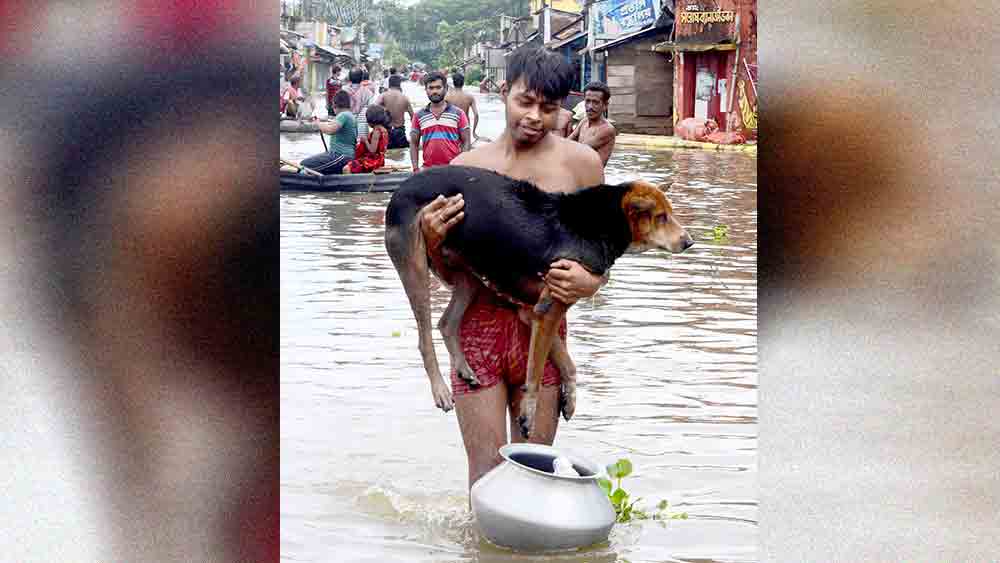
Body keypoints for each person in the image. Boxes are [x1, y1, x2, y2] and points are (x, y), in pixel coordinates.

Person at [418, 48, 607, 491]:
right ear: (504, 93)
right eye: (526, 102)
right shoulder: (466, 169)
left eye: (549, 107)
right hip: (478, 335)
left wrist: (589, 283)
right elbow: (450, 277)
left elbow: (600, 261)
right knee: (485, 481)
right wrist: (431, 240)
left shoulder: (582, 165)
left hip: (541, 338)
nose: (536, 117)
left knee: (535, 478)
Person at [409, 71, 470, 172]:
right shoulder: (419, 115)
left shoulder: (458, 113)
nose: (434, 91)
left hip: (453, 170)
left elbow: (466, 141)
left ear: (445, 89)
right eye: (431, 88)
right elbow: (413, 143)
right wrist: (415, 169)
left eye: (438, 87)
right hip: (428, 171)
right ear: (426, 90)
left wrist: (461, 167)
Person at [300, 90, 357, 174]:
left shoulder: (343, 115)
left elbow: (330, 130)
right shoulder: (349, 115)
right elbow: (331, 125)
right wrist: (319, 121)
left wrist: (318, 124)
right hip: (345, 156)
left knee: (304, 165)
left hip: (340, 155)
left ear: (335, 104)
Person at [568, 81, 617, 166]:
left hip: (592, 178)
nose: (590, 107)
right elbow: (568, 141)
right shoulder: (584, 121)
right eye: (587, 101)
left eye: (595, 102)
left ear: (605, 105)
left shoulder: (607, 129)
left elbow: (579, 151)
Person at [344, 105, 390, 174]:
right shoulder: (384, 130)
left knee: (347, 168)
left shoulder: (376, 131)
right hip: (381, 160)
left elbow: (372, 151)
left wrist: (365, 141)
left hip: (374, 162)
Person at [376, 74, 415, 149]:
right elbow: (413, 117)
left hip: (387, 132)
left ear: (389, 84)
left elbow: (373, 109)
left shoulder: (383, 95)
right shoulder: (405, 98)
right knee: (401, 153)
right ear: (399, 84)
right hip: (400, 132)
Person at [444, 72, 483, 142]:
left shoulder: (447, 97)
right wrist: (474, 132)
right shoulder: (469, 97)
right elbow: (476, 115)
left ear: (453, 83)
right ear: (463, 82)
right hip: (465, 125)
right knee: (466, 149)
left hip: (452, 126)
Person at [345, 67, 375, 140]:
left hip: (347, 124)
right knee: (361, 146)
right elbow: (371, 111)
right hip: (363, 125)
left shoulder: (343, 91)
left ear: (349, 78)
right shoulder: (368, 92)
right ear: (362, 78)